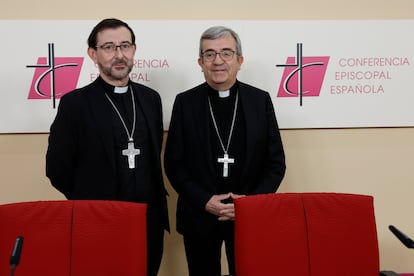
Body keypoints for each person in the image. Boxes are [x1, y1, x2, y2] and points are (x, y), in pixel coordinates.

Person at [46, 18, 169, 276]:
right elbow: (57, 168)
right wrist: (89, 204)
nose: (119, 54)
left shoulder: (150, 99)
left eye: (125, 46)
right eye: (109, 47)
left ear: (134, 49)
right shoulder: (75, 104)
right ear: (93, 53)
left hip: (149, 221)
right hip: (99, 221)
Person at [164, 26, 286, 276]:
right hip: (199, 215)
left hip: (247, 217)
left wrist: (248, 204)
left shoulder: (259, 101)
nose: (218, 61)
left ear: (239, 60)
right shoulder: (185, 102)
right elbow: (174, 163)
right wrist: (204, 200)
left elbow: (275, 163)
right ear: (200, 62)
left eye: (226, 53)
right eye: (209, 54)